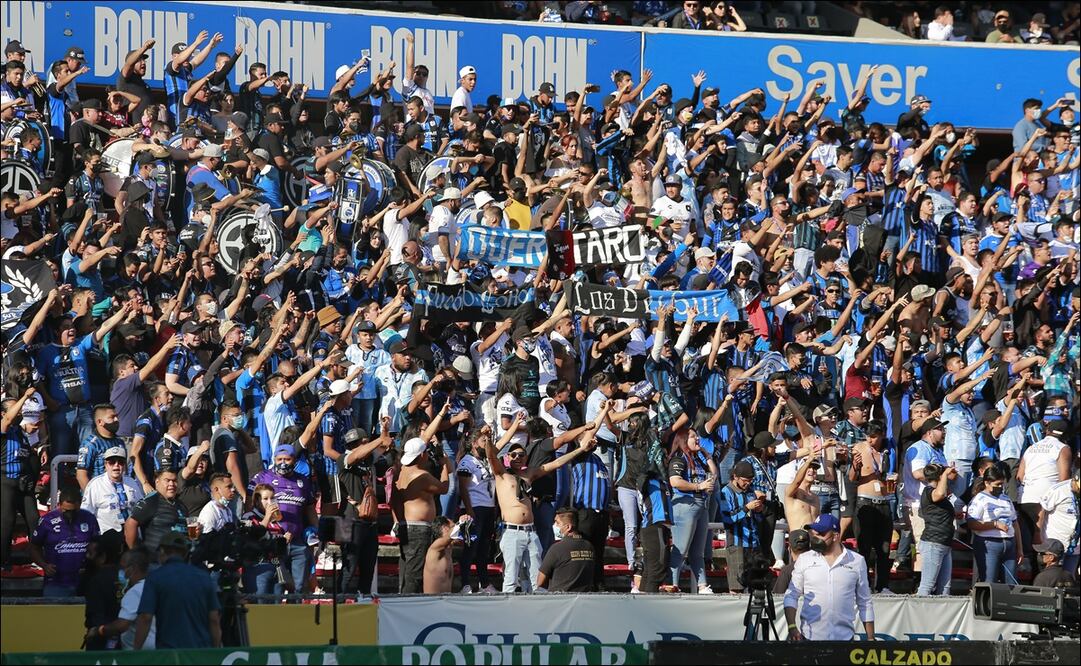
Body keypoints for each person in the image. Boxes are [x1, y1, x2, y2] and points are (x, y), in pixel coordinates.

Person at [784, 514, 875, 641]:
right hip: (809, 639)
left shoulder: (857, 561)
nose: (815, 538)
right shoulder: (805, 559)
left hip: (845, 640)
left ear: (836, 536)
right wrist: (792, 627)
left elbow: (864, 602)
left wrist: (871, 638)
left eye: (821, 534)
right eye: (814, 533)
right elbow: (791, 595)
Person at [391, 405, 452, 594]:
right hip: (418, 528)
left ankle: (407, 602)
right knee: (415, 573)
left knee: (410, 570)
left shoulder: (402, 470)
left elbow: (423, 439)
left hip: (409, 525)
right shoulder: (422, 475)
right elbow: (444, 488)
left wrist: (441, 413)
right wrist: (443, 466)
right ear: (423, 455)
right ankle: (408, 607)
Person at [134, 531, 221, 649]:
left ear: (162, 551)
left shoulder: (155, 578)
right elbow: (214, 619)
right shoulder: (204, 577)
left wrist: (136, 650)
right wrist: (215, 652)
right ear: (185, 554)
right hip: (201, 654)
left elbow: (145, 617)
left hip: (170, 654)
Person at [30, 487, 99, 597]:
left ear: (80, 504)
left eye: (73, 511)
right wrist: (44, 565)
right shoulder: (47, 520)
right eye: (66, 511)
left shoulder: (89, 518)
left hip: (84, 581)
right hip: (56, 583)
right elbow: (33, 546)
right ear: (59, 504)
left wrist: (92, 557)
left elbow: (96, 544)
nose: (69, 515)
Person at [966, 463, 1022, 584]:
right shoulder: (979, 499)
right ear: (987, 483)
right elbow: (972, 523)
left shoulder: (1005, 499)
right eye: (997, 484)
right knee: (989, 581)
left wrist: (1020, 548)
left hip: (1009, 543)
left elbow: (1015, 523)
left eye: (1002, 484)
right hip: (989, 543)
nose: (1000, 487)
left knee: (1011, 583)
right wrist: (994, 524)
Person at [81, 446, 145, 534]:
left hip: (132, 535)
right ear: (105, 465)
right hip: (107, 536)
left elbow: (142, 507)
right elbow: (86, 513)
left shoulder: (132, 482)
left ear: (125, 465)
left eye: (121, 462)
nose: (116, 465)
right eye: (112, 462)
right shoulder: (95, 484)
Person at [916, 463, 958, 596]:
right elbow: (939, 494)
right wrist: (945, 474)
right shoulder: (929, 491)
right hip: (933, 543)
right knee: (927, 586)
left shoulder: (938, 495)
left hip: (945, 543)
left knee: (945, 589)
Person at [537, 508, 595, 592]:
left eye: (557, 523)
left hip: (560, 599)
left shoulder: (557, 549)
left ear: (568, 527)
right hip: (583, 598)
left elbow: (540, 582)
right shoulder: (589, 547)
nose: (555, 526)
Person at [422, 516, 456, 594]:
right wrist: (461, 522)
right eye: (452, 526)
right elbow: (449, 537)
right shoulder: (435, 547)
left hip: (446, 600)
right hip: (433, 601)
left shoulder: (449, 548)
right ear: (445, 528)